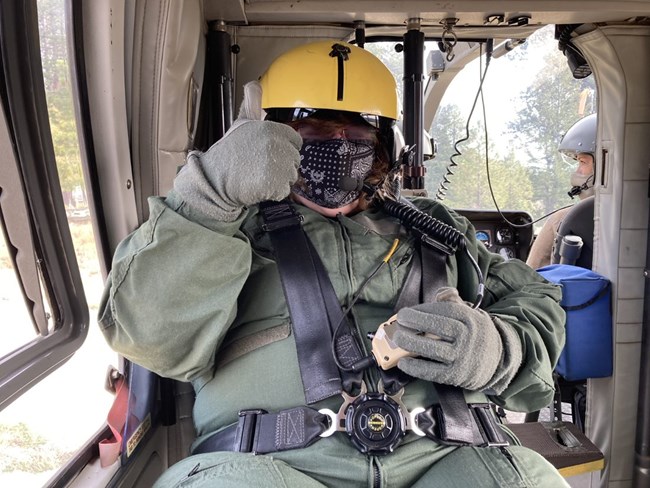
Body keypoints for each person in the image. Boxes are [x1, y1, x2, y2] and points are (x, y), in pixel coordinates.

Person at [99, 41, 568, 487]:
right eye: (317, 133)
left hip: (454, 457)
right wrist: (208, 200)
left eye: (357, 135)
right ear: (272, 137)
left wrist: (500, 348)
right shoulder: (222, 225)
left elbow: (537, 298)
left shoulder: (436, 226)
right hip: (268, 465)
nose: (339, 147)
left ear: (385, 145)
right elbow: (146, 335)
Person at [526, 114, 596, 270]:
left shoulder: (563, 220)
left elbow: (531, 282)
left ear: (604, 164)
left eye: (583, 161)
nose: (577, 170)